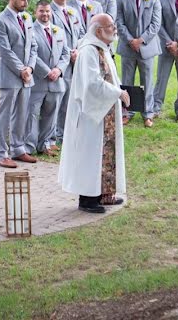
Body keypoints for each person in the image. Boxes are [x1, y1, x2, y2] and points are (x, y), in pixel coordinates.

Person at [58, 14, 128, 213]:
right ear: (98, 30)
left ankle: (104, 193)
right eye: (110, 26)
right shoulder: (89, 51)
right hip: (91, 114)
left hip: (104, 111)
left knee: (103, 153)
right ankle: (88, 199)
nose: (114, 29)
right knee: (90, 155)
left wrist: (120, 90)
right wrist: (118, 92)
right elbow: (92, 84)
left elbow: (109, 77)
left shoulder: (102, 49)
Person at [0, 0, 39, 168]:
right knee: (4, 116)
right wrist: (21, 69)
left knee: (22, 114)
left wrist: (30, 69)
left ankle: (18, 149)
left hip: (27, 76)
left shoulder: (26, 18)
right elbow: (5, 50)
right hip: (10, 76)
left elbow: (33, 46)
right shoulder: (0, 21)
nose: (26, 3)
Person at [115, 0, 162, 127]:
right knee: (127, 81)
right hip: (128, 48)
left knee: (147, 81)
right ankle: (127, 112)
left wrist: (140, 40)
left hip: (147, 48)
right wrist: (130, 40)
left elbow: (156, 24)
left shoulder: (154, 0)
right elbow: (119, 23)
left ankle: (148, 113)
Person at [27, 0, 70, 155]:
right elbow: (32, 54)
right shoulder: (30, 30)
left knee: (51, 115)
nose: (45, 14)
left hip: (57, 81)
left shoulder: (59, 30)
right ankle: (30, 145)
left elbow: (65, 53)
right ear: (35, 12)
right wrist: (47, 72)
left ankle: (46, 144)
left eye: (47, 11)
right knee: (32, 114)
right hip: (38, 81)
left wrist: (58, 70)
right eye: (41, 11)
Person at [49, 0, 82, 145]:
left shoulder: (73, 11)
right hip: (59, 62)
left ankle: (65, 133)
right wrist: (70, 52)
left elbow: (81, 32)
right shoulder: (50, 12)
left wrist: (79, 50)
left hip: (76, 61)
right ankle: (53, 135)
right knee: (58, 100)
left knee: (71, 99)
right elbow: (54, 38)